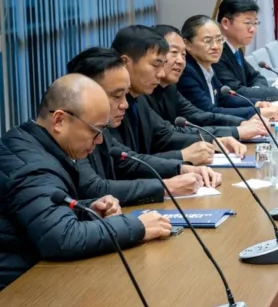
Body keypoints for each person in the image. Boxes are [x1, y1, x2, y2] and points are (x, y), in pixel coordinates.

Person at [0, 75, 171, 290]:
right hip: (15, 293)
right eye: (95, 131)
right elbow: (62, 238)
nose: (99, 141)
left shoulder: (31, 143)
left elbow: (39, 214)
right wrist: (138, 226)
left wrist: (87, 210)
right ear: (59, 120)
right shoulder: (32, 166)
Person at [67, 47, 221, 206]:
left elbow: (129, 161)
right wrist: (166, 187)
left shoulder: (105, 125)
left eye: (125, 95)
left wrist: (181, 168)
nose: (125, 104)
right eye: (117, 96)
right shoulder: (71, 132)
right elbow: (93, 188)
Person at [111, 25, 245, 164]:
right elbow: (121, 163)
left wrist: (213, 140)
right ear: (125, 63)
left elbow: (165, 134)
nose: (161, 73)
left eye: (183, 55)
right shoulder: (110, 102)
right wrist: (182, 156)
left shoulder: (143, 96)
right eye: (156, 65)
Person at [146, 24, 270, 140]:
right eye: (174, 52)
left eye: (183, 55)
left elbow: (198, 115)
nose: (180, 61)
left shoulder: (169, 88)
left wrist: (242, 122)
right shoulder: (143, 94)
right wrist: (235, 131)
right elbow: (168, 133)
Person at [178, 15, 278, 120]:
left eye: (219, 39)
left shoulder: (207, 67)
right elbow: (209, 112)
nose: (216, 46)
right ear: (187, 44)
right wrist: (258, 112)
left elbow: (224, 99)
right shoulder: (186, 72)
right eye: (207, 41)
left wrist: (257, 103)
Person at [213, 0, 278, 103]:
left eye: (255, 23)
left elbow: (256, 77)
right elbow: (235, 92)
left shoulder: (236, 49)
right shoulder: (216, 53)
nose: (253, 29)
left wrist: (255, 90)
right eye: (247, 23)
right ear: (226, 23)